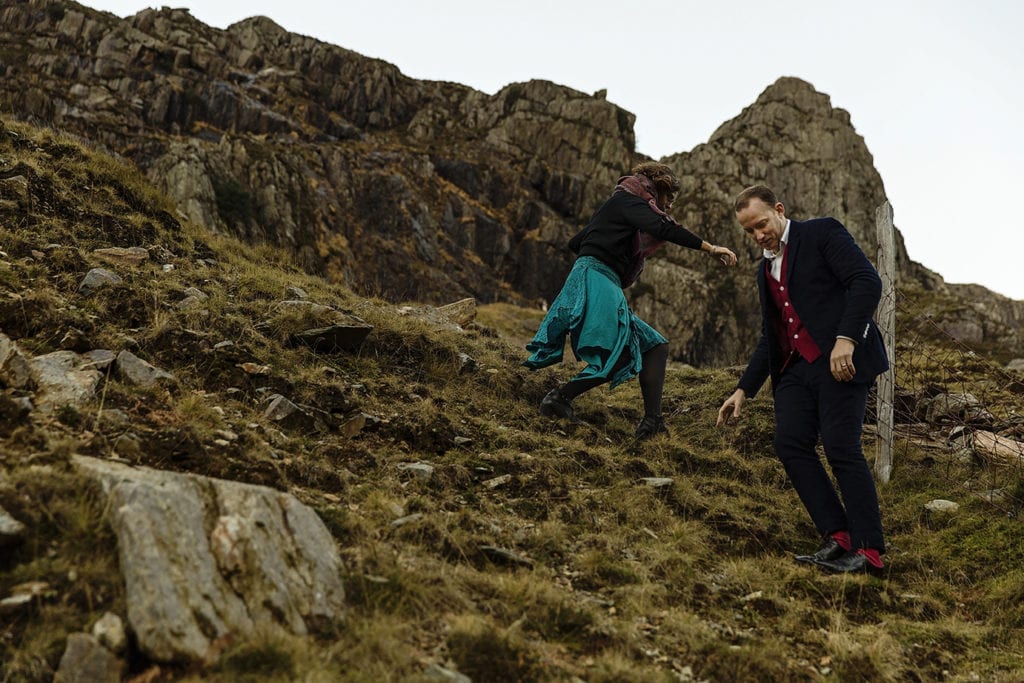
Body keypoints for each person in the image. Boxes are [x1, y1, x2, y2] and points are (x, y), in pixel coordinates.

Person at [717, 185, 889, 575]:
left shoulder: (822, 232)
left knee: (841, 446)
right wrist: (743, 389)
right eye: (749, 231)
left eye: (761, 224)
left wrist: (846, 339)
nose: (758, 235)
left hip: (841, 360)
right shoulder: (764, 270)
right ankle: (838, 535)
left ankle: (869, 551)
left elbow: (866, 282)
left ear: (779, 210)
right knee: (790, 444)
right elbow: (771, 335)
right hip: (795, 369)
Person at [523, 162, 737, 439]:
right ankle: (559, 398)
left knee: (655, 346)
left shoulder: (620, 207)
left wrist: (608, 240)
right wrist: (710, 248)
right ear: (658, 188)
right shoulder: (628, 200)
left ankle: (653, 422)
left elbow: (575, 242)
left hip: (603, 278)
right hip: (597, 276)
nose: (670, 205)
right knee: (620, 351)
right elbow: (664, 227)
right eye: (670, 198)